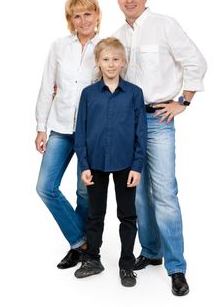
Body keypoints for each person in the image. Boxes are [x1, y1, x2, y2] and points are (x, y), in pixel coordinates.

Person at [114, 0, 207, 296]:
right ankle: (151, 251)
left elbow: (196, 61)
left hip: (159, 120)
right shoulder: (117, 36)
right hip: (129, 122)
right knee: (138, 192)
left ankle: (176, 267)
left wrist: (185, 101)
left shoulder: (164, 25)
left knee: (165, 194)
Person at [35, 0, 102, 269]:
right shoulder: (59, 46)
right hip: (60, 128)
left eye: (88, 13)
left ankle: (78, 249)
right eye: (77, 15)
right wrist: (40, 127)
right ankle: (82, 242)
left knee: (83, 193)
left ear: (97, 15)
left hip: (91, 132)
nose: (83, 20)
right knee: (45, 188)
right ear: (70, 20)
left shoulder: (107, 47)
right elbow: (46, 85)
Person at [74, 37, 147, 287]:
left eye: (116, 59)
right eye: (106, 59)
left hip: (126, 164)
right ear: (98, 62)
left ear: (123, 62)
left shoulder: (135, 94)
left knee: (127, 216)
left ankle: (127, 265)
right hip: (94, 164)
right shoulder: (88, 94)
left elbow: (141, 133)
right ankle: (92, 258)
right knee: (95, 215)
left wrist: (137, 167)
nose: (111, 64)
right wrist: (84, 165)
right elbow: (81, 132)